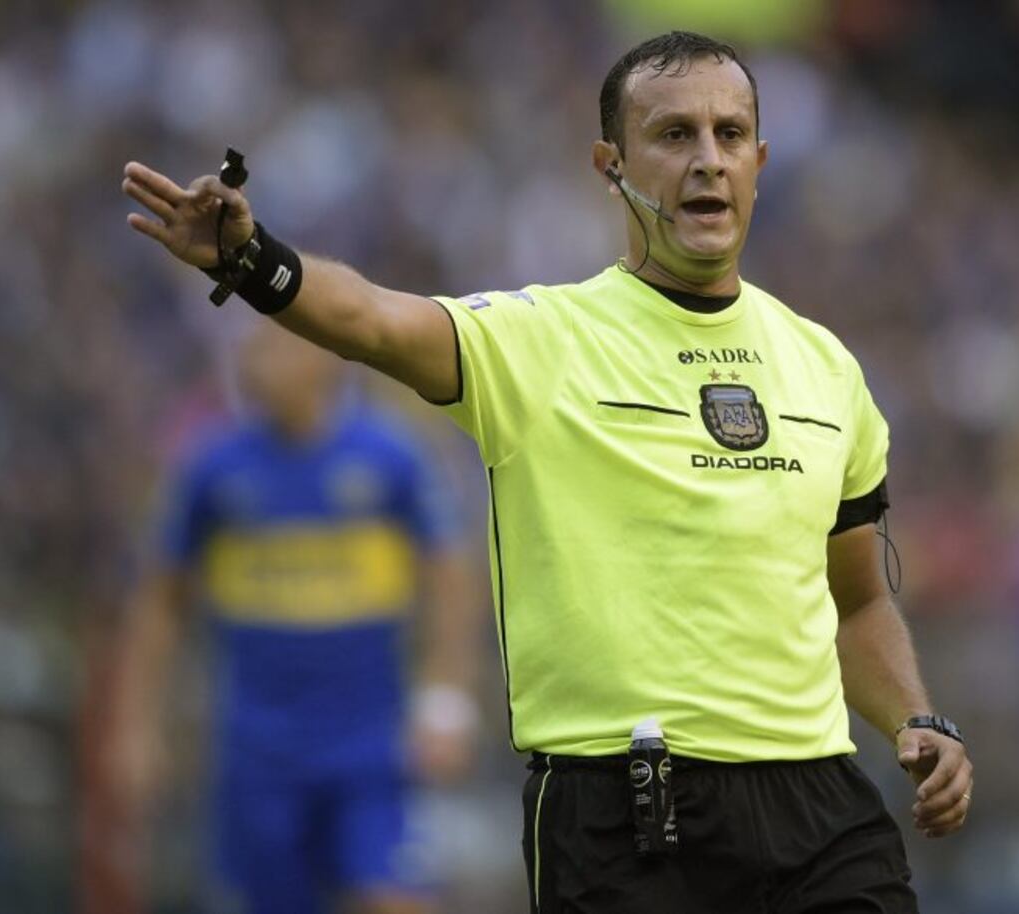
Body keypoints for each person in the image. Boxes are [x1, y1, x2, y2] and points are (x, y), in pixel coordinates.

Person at [122, 29, 974, 914]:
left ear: (760, 159)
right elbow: (375, 320)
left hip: (818, 812)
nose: (708, 162)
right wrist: (249, 259)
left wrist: (914, 718)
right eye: (675, 135)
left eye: (729, 135)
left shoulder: (827, 370)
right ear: (611, 164)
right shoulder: (539, 341)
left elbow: (861, 601)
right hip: (627, 820)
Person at [108, 319, 480, 914]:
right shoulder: (213, 470)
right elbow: (157, 600)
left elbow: (451, 576)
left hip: (370, 748)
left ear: (328, 359)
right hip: (257, 751)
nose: (257, 362)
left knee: (393, 898)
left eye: (277, 346)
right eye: (252, 348)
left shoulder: (389, 460)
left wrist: (445, 700)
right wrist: (135, 728)